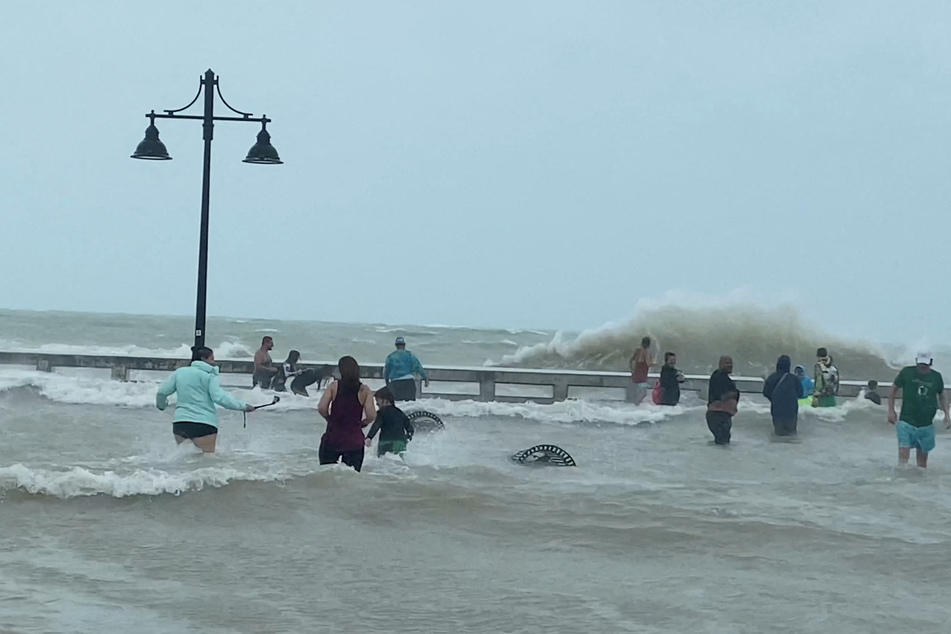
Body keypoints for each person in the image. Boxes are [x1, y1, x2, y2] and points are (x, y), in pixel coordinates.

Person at [155, 346, 255, 453]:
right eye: (212, 359)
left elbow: (162, 392)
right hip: (204, 424)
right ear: (203, 359)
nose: (214, 362)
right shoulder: (209, 375)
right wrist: (242, 406)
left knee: (183, 458)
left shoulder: (179, 372)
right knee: (207, 460)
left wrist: (161, 406)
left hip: (181, 423)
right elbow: (219, 397)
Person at [887, 352, 950, 468]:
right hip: (906, 421)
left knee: (921, 465)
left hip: (926, 424)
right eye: (920, 363)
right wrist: (891, 410)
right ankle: (901, 481)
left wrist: (947, 414)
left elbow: (942, 396)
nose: (923, 366)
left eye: (925, 364)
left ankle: (919, 484)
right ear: (916, 361)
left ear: (931, 363)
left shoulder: (936, 377)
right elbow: (892, 390)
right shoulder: (907, 372)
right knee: (903, 459)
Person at [317, 356, 376, 472]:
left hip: (333, 438)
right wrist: (363, 423)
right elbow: (371, 415)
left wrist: (329, 418)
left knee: (326, 474)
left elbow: (321, 408)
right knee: (351, 477)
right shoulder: (364, 390)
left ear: (340, 371)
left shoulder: (335, 386)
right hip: (354, 440)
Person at [365, 386, 415, 457]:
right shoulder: (400, 413)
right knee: (399, 465)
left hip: (386, 443)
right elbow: (410, 430)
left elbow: (376, 425)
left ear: (385, 400)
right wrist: (405, 440)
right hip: (400, 443)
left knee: (384, 464)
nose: (376, 404)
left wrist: (369, 437)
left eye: (377, 401)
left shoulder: (381, 412)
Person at [763, 355, 804, 436]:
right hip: (791, 411)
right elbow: (800, 393)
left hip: (777, 411)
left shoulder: (772, 377)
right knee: (791, 435)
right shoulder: (794, 378)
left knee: (778, 434)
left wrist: (774, 399)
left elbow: (766, 393)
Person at [383, 337, 429, 401]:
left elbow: (386, 371)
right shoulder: (410, 355)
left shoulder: (391, 357)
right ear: (404, 345)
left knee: (398, 404)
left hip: (395, 383)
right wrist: (425, 378)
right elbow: (418, 367)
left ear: (396, 345)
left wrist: (387, 382)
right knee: (410, 404)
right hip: (409, 382)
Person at [707, 356, 739, 445]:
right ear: (720, 364)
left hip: (721, 414)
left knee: (722, 444)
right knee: (722, 443)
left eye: (731, 363)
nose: (730, 365)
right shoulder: (718, 377)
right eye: (727, 363)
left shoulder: (723, 377)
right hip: (718, 415)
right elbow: (721, 396)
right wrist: (733, 394)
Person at [629, 337, 654, 405]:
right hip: (642, 374)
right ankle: (636, 404)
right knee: (643, 393)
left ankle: (636, 403)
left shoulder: (637, 350)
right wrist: (658, 365)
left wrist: (632, 370)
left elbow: (631, 360)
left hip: (636, 373)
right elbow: (648, 363)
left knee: (640, 391)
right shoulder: (647, 351)